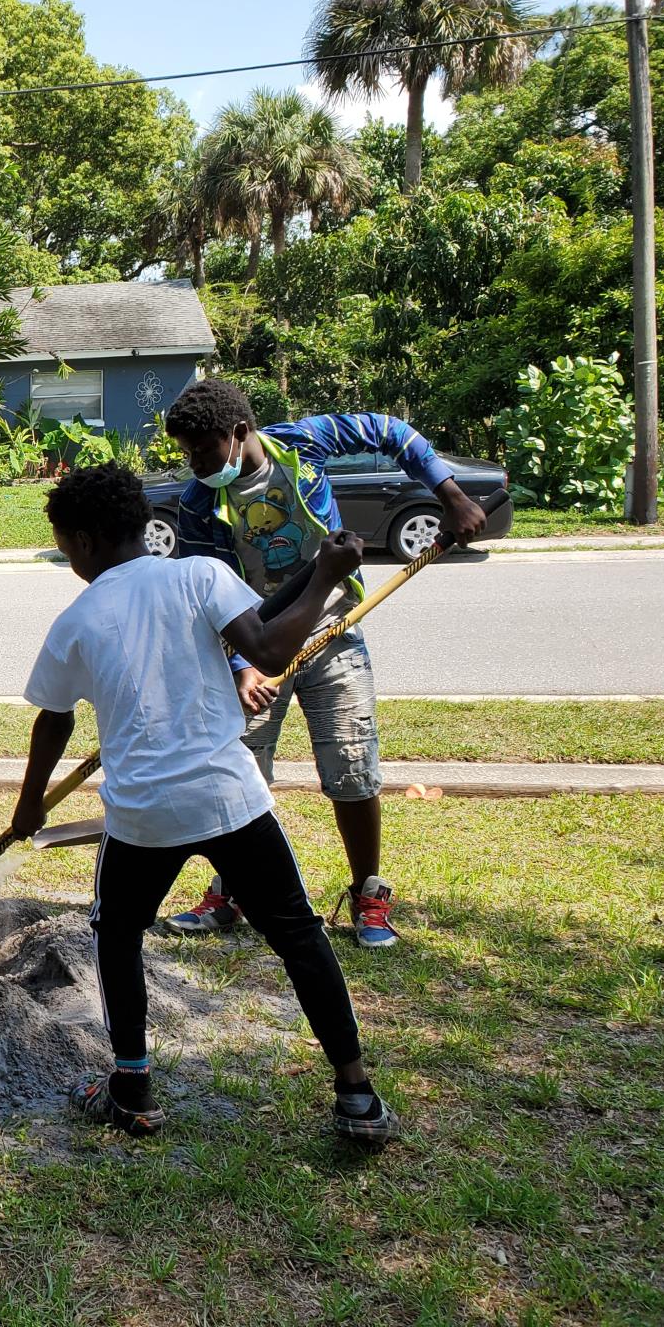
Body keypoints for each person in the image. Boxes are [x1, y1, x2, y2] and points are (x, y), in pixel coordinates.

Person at [11, 465, 397, 1144]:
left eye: (65, 546)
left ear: (83, 540)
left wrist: (31, 804)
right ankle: (356, 1092)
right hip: (229, 799)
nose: (68, 557)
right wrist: (327, 576)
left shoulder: (76, 619)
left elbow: (55, 720)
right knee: (299, 936)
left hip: (141, 815)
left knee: (118, 932)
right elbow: (271, 648)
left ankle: (132, 1088)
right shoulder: (199, 576)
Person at [161, 380, 488, 947]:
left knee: (352, 768)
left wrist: (450, 495)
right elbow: (213, 592)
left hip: (333, 632)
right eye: (187, 453)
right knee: (238, 775)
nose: (195, 464)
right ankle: (231, 890)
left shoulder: (303, 446)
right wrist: (242, 666)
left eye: (202, 450)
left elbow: (393, 433)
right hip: (255, 649)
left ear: (239, 434)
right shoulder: (197, 504)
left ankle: (368, 895)